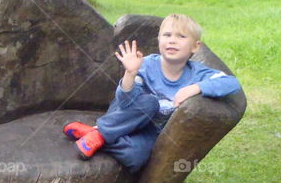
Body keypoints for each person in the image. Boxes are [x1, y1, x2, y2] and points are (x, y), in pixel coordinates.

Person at [63, 13, 240, 172]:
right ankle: (102, 132)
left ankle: (97, 134)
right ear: (159, 40)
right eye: (167, 35)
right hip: (125, 115)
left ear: (195, 46)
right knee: (150, 103)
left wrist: (195, 88)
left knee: (136, 158)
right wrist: (130, 74)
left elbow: (231, 83)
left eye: (181, 36)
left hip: (149, 131)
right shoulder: (147, 64)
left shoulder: (198, 73)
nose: (172, 40)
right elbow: (124, 102)